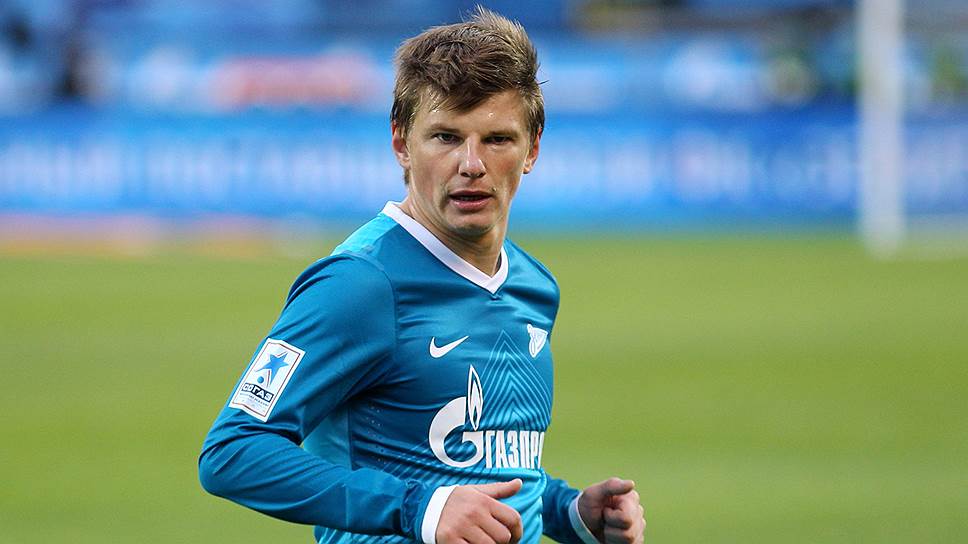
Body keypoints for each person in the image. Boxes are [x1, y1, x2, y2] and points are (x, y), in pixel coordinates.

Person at [198, 8, 646, 544]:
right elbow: (233, 451)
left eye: (497, 139)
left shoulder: (532, 284)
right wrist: (416, 509)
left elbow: (482, 464)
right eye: (446, 137)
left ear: (532, 149)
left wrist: (567, 512)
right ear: (401, 145)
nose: (472, 164)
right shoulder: (359, 285)